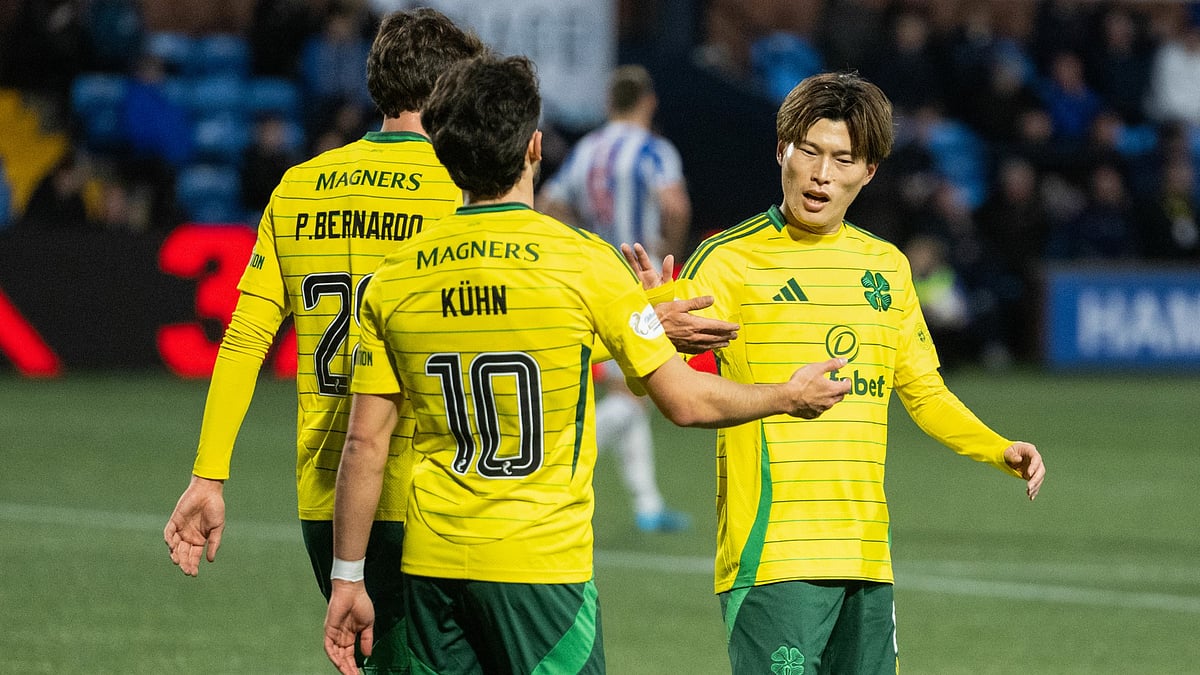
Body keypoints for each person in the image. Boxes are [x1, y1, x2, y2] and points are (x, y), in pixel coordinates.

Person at [321, 53, 853, 675]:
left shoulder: (394, 280)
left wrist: (348, 578)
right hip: (542, 568)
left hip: (432, 563)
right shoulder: (585, 265)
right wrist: (786, 396)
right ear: (535, 147)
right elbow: (685, 402)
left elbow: (363, 444)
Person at [641, 71, 1046, 674]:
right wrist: (653, 331)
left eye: (842, 158)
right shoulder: (728, 261)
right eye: (808, 151)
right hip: (773, 556)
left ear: (869, 171)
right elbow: (663, 387)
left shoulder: (886, 266)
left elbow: (924, 392)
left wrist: (998, 448)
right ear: (782, 151)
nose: (821, 173)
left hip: (865, 554)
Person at [162, 9, 485, 674]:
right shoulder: (463, 192)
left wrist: (208, 474)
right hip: (437, 493)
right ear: (453, 87)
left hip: (328, 499)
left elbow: (246, 336)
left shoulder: (299, 186)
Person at [538, 64, 693, 532]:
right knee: (635, 394)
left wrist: (576, 243)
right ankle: (553, 474)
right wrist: (670, 257)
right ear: (648, 102)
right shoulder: (653, 149)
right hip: (636, 282)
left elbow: (549, 203)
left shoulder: (588, 149)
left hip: (593, 279)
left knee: (630, 389)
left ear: (610, 103)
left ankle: (647, 505)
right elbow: (675, 206)